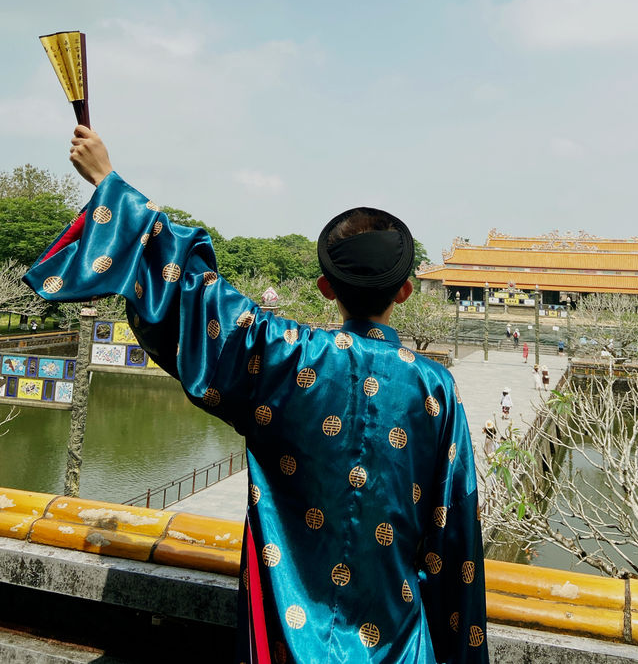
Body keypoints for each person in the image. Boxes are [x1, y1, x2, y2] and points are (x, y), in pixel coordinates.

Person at [24, 126, 488, 664]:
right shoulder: (436, 388)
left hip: (284, 640)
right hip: (400, 642)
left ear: (325, 287)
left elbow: (191, 289)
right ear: (406, 291)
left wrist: (108, 179)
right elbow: (456, 544)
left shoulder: (286, 356)